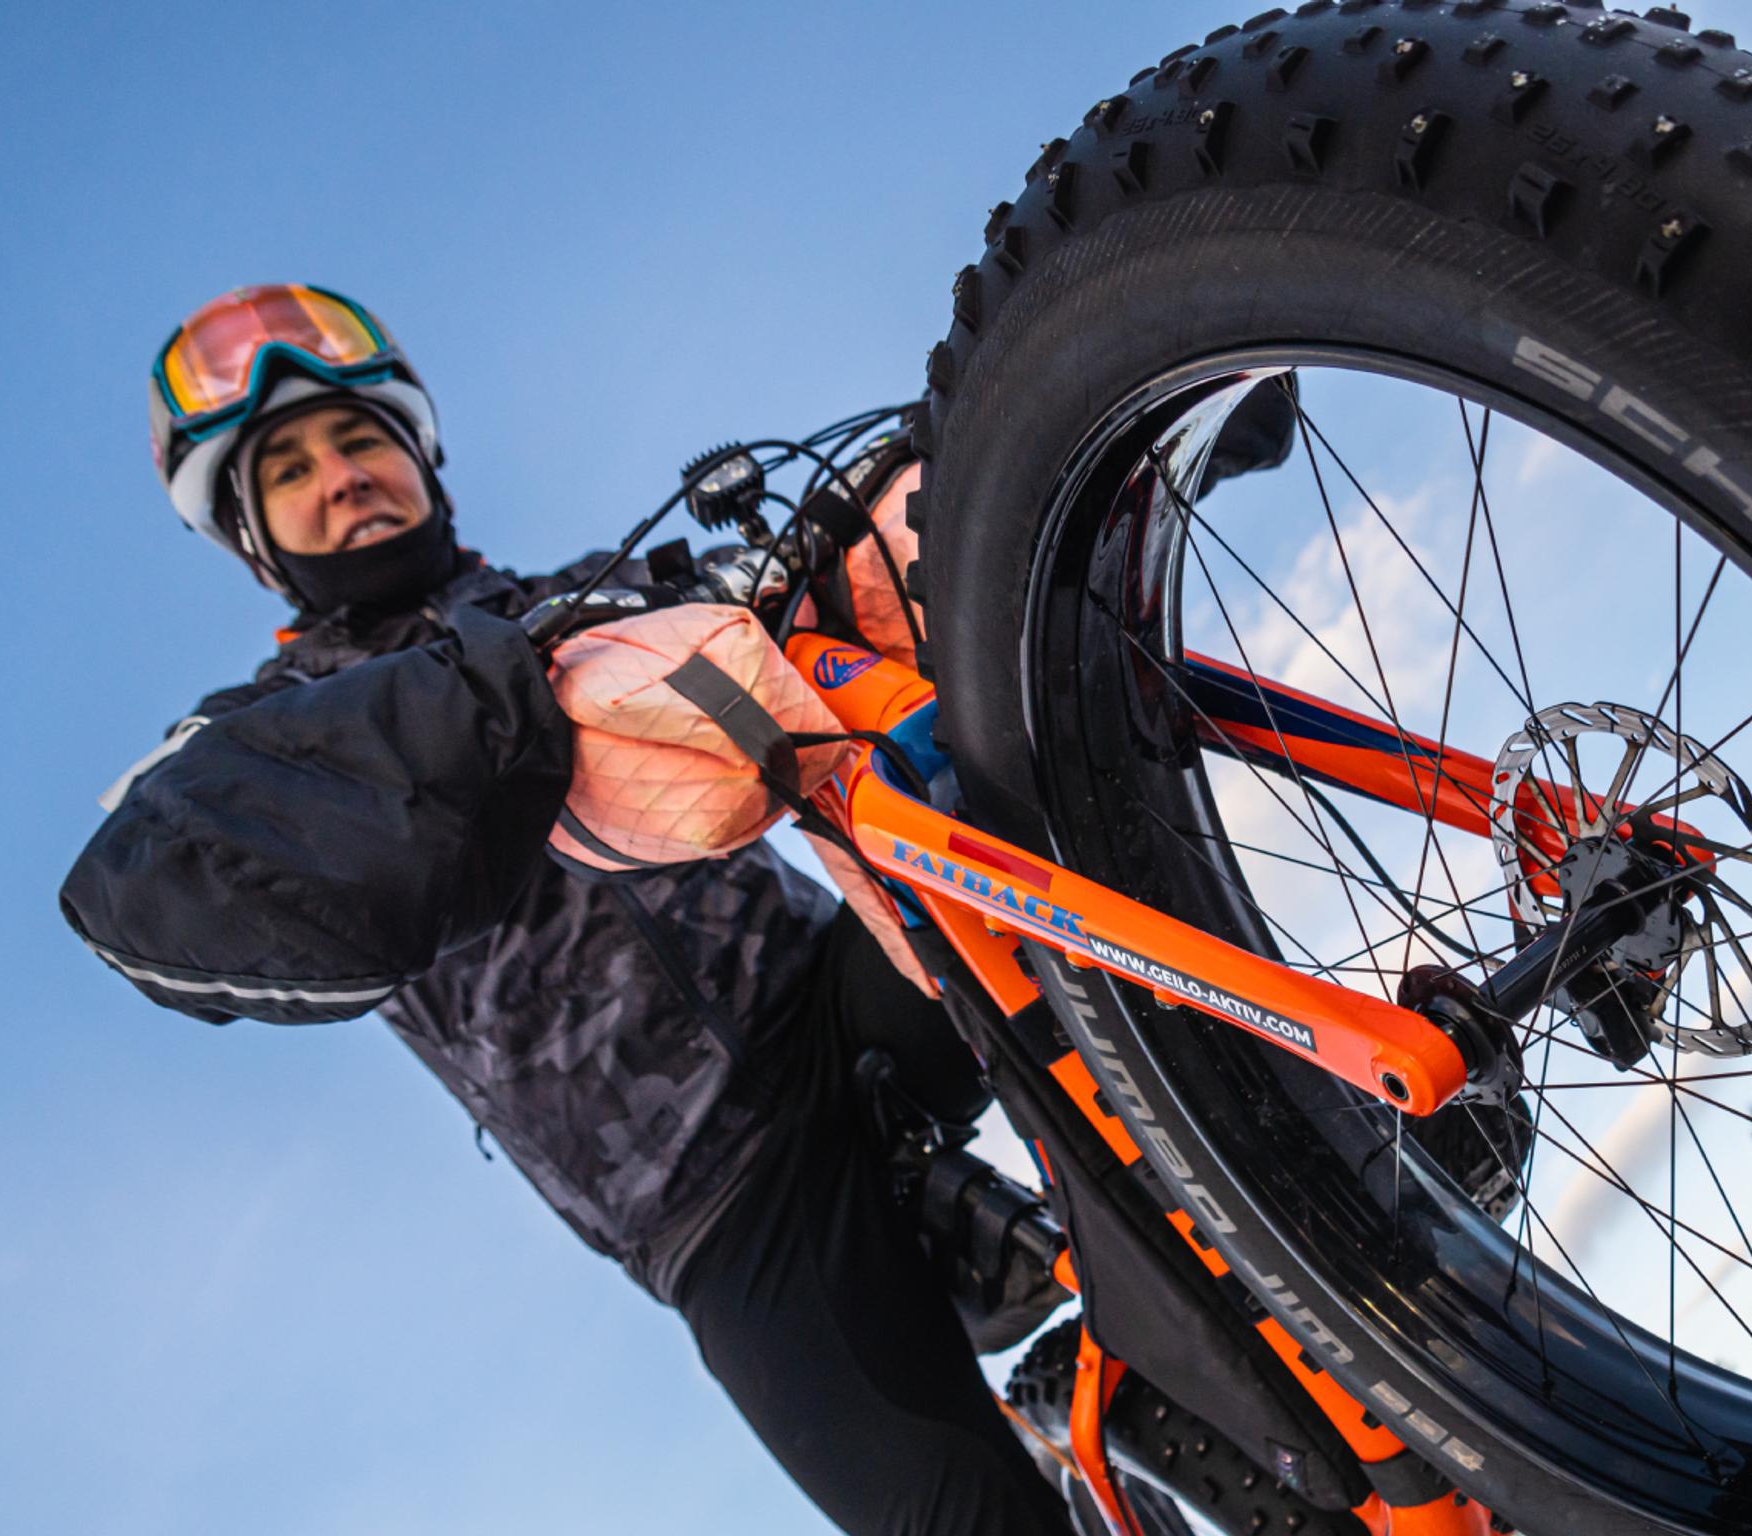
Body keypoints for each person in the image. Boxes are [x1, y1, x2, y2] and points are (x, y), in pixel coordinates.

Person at [60, 283, 1079, 1535]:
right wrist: (473, 707)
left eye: (360, 437)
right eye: (291, 466)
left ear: (419, 453)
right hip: (707, 1196)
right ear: (249, 530)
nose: (344, 475)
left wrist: (1064, 447)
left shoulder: (596, 588)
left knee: (1058, 880)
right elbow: (155, 874)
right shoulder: (264, 738)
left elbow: (830, 601)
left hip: (830, 997)